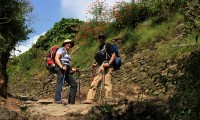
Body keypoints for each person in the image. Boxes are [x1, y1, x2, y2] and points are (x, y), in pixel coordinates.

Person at [83, 34, 116, 104]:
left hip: (108, 65)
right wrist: (96, 64)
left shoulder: (108, 45)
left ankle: (108, 100)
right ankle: (89, 99)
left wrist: (109, 63)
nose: (101, 39)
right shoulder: (100, 48)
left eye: (102, 38)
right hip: (101, 66)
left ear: (104, 39)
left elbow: (113, 54)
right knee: (95, 82)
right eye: (99, 38)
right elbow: (102, 58)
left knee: (107, 83)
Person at [54, 39, 79, 104]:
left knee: (74, 84)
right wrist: (61, 67)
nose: (69, 44)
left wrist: (75, 69)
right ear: (64, 44)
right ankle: (57, 100)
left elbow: (68, 65)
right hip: (60, 68)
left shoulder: (67, 53)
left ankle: (71, 102)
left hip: (66, 69)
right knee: (60, 83)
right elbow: (56, 59)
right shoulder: (61, 50)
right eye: (67, 43)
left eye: (70, 43)